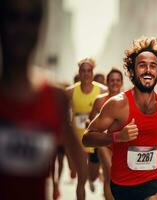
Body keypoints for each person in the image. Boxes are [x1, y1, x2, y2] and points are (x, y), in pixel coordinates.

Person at [0, 0, 87, 200]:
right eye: (13, 18)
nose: (22, 29)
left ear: (41, 27)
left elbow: (80, 164)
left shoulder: (55, 98)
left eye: (32, 20)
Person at [82, 36, 157, 200]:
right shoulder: (117, 104)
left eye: (153, 66)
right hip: (123, 185)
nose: (148, 70)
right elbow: (87, 138)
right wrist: (117, 137)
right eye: (142, 65)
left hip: (153, 180)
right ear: (131, 71)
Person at [66, 58, 107, 194]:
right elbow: (60, 112)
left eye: (89, 71)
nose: (86, 74)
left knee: (92, 176)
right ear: (79, 72)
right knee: (80, 179)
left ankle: (93, 177)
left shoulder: (102, 91)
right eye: (83, 71)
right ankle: (85, 180)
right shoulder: (70, 92)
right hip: (78, 140)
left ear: (93, 73)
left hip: (95, 138)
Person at [89, 68, 124, 200]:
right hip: (104, 142)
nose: (115, 83)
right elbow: (91, 122)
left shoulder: (126, 99)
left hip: (122, 142)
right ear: (107, 82)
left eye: (118, 80)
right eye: (112, 80)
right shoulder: (100, 100)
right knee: (109, 174)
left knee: (120, 176)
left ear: (121, 82)